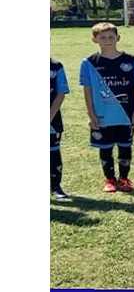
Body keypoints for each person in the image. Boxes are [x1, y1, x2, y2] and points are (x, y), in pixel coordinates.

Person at [79, 22, 134, 193]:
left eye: (111, 37)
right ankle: (109, 180)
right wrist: (91, 115)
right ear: (95, 39)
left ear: (118, 38)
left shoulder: (131, 60)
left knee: (125, 147)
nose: (107, 40)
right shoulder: (88, 63)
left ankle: (124, 179)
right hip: (102, 115)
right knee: (105, 149)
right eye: (102, 37)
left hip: (126, 115)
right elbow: (88, 91)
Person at [51, 58, 70, 200]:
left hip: (52, 120)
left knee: (53, 153)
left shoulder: (56, 66)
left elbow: (61, 93)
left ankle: (55, 186)